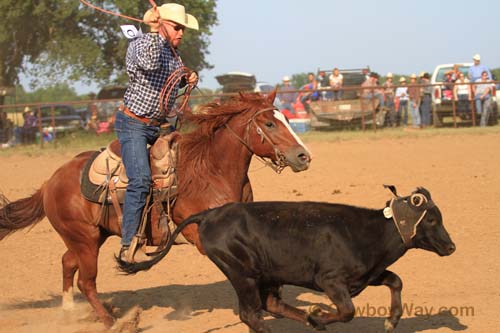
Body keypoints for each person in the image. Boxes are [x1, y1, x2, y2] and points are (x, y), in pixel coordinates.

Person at [115, 3, 199, 263]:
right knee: (140, 180)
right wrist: (152, 30)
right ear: (162, 24)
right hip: (134, 125)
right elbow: (150, 65)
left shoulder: (174, 54)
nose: (181, 32)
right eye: (177, 27)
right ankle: (129, 244)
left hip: (159, 125)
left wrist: (188, 78)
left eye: (183, 28)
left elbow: (169, 78)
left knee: (189, 168)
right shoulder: (141, 44)